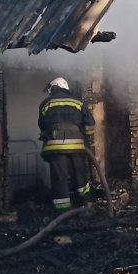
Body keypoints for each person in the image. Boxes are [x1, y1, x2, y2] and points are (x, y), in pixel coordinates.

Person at [39, 77, 94, 212]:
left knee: (60, 177)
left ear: (54, 87)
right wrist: (81, 133)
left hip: (55, 147)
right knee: (80, 174)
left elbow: (42, 126)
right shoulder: (78, 102)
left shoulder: (46, 103)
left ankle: (63, 211)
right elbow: (90, 125)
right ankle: (85, 204)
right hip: (76, 147)